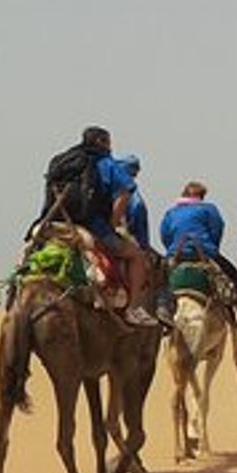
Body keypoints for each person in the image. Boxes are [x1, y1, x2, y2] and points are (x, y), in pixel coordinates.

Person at [33, 128, 156, 327]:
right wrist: (112, 224)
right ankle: (133, 309)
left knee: (29, 256)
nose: (111, 147)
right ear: (101, 142)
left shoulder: (61, 160)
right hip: (91, 225)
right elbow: (126, 192)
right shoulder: (106, 163)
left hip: (52, 222)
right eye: (108, 142)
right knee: (136, 256)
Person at [159, 180, 237, 318]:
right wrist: (212, 248)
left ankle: (162, 308)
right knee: (234, 276)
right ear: (201, 196)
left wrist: (173, 249)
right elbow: (217, 229)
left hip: (176, 254)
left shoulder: (171, 213)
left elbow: (165, 234)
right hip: (204, 252)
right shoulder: (208, 209)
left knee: (160, 281)